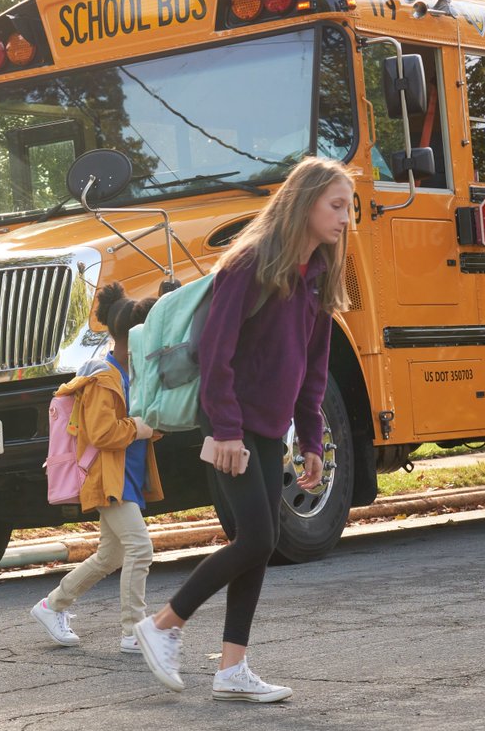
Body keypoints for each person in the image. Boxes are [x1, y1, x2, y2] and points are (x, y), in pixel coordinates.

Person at [134, 156, 354, 701]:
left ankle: (232, 669)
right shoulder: (249, 263)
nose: (346, 217)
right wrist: (226, 429)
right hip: (229, 421)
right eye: (336, 205)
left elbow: (313, 369)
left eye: (348, 207)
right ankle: (163, 623)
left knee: (261, 540)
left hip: (267, 425)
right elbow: (216, 352)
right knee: (258, 537)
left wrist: (311, 442)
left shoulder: (318, 276)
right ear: (304, 204)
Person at [31, 282, 161, 654]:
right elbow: (103, 433)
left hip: (127, 475)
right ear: (133, 337)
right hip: (109, 477)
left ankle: (52, 605)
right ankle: (133, 631)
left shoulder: (129, 373)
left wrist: (150, 427)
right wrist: (141, 428)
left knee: (111, 555)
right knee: (140, 548)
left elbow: (140, 423)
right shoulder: (104, 378)